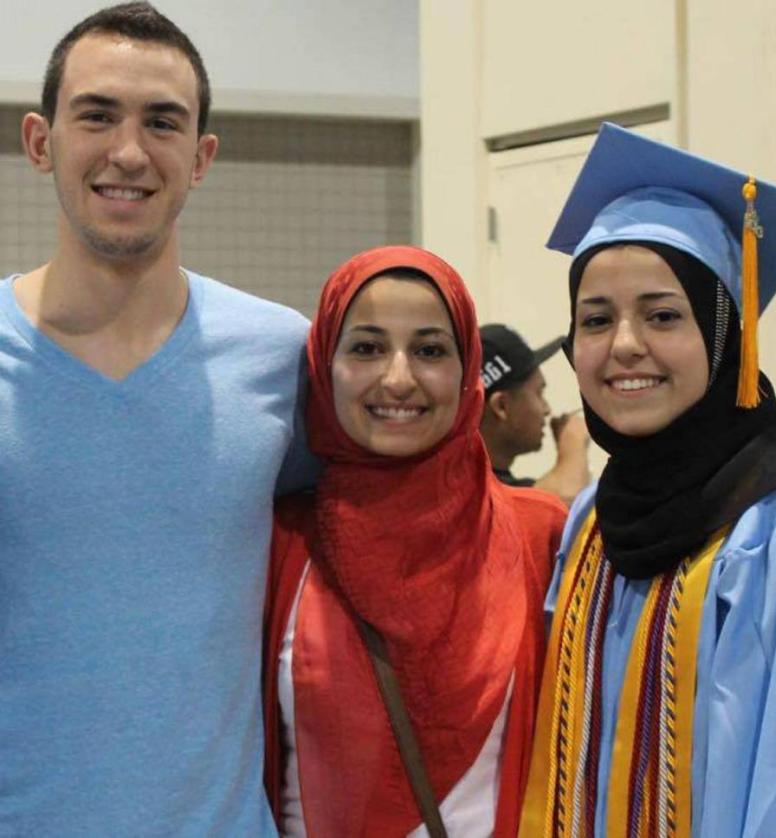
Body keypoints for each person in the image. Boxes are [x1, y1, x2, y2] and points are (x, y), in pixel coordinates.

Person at [0, 4, 316, 834]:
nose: (129, 152)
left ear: (202, 157)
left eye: (163, 122)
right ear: (41, 141)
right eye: (97, 115)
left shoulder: (284, 359)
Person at [520, 123, 776, 837]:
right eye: (596, 319)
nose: (625, 344)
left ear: (724, 335)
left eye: (664, 315)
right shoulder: (594, 521)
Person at [262, 245, 568, 837]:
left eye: (429, 350)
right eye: (366, 348)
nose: (398, 378)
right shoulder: (279, 542)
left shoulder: (539, 535)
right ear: (325, 365)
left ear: (466, 368)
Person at [479, 323, 590, 504]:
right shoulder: (473, 492)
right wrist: (573, 440)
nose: (546, 409)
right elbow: (566, 497)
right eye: (538, 393)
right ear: (502, 406)